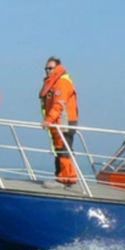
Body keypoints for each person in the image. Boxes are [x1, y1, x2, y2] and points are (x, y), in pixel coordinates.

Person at [39, 56, 79, 184]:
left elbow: (59, 104)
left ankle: (68, 178)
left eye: (50, 68)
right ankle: (61, 176)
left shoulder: (62, 82)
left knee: (63, 149)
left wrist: (48, 120)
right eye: (46, 68)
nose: (48, 71)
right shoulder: (52, 83)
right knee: (59, 149)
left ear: (57, 68)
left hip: (65, 121)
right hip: (57, 122)